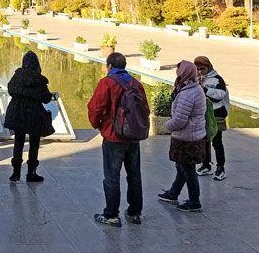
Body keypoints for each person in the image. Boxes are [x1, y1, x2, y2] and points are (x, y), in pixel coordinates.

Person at [87, 52, 149, 227]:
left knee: (112, 176)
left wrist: (98, 125)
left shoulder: (107, 83)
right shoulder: (136, 84)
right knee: (134, 174)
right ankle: (134, 212)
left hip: (114, 137)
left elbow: (95, 108)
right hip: (133, 137)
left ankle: (111, 214)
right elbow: (145, 109)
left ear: (109, 66)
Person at [158, 60, 208, 212]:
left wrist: (166, 125)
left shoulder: (189, 93)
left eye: (179, 70)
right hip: (190, 135)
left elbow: (180, 119)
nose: (177, 73)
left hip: (188, 137)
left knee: (188, 169)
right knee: (182, 166)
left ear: (185, 72)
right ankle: (173, 193)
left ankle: (194, 201)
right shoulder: (191, 87)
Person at [3, 50, 54, 183]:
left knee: (18, 143)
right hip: (34, 115)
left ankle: (16, 173)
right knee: (34, 144)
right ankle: (31, 173)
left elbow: (10, 90)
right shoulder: (39, 80)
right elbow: (46, 98)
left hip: (17, 114)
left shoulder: (17, 76)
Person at [194, 56, 229, 181]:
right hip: (203, 114)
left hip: (216, 114)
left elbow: (220, 95)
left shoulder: (217, 79)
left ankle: (220, 168)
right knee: (204, 141)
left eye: (202, 68)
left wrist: (204, 89)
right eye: (197, 69)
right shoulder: (197, 78)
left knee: (217, 141)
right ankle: (206, 164)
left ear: (208, 67)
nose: (200, 71)